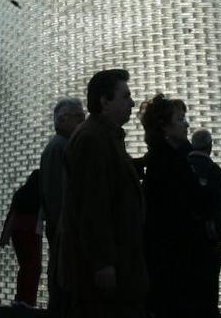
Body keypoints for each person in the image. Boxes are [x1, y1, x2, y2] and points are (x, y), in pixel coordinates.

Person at [58, 68, 146, 317]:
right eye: (125, 96)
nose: (132, 103)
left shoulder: (105, 136)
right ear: (104, 101)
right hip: (103, 271)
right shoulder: (92, 139)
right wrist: (103, 263)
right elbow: (93, 204)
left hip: (115, 262)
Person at [139, 93, 208, 318]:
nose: (186, 124)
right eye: (180, 119)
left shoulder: (167, 159)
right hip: (174, 261)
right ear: (164, 127)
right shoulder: (168, 164)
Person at [41, 96, 86, 316]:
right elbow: (56, 193)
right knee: (63, 280)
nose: (83, 120)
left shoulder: (62, 145)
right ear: (62, 119)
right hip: (63, 229)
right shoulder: (59, 147)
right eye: (79, 116)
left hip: (63, 227)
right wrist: (64, 225)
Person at [188, 128, 221, 316]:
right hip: (208, 237)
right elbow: (220, 207)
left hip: (184, 237)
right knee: (209, 285)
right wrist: (219, 236)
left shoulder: (181, 167)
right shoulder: (214, 171)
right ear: (209, 146)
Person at [0, 169, 44, 309]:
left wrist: (5, 235)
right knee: (34, 266)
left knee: (24, 266)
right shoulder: (40, 193)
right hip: (32, 230)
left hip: (17, 231)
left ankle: (20, 298)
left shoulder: (20, 193)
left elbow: (12, 213)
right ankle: (28, 301)